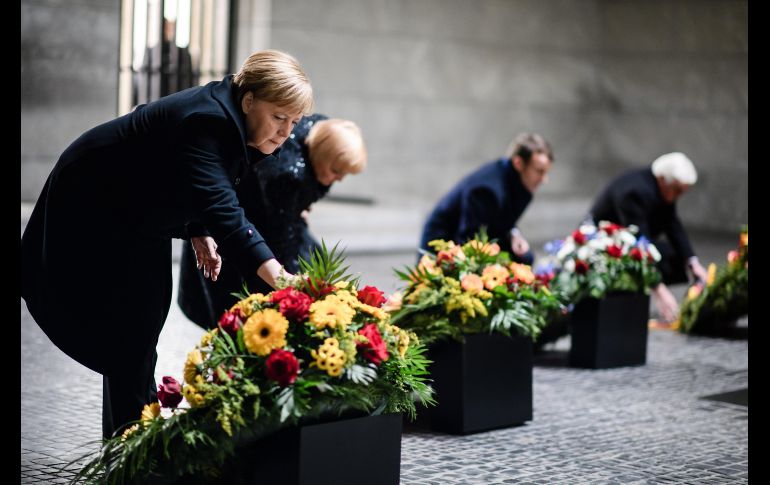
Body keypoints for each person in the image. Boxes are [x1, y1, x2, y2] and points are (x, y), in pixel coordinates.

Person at [20, 49, 313, 439]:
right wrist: (275, 273)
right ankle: (131, 448)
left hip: (136, 211)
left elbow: (180, 171)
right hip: (92, 205)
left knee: (143, 323)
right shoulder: (209, 120)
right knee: (131, 332)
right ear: (249, 101)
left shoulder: (226, 114)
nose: (285, 132)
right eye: (279, 117)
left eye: (293, 122)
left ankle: (130, 443)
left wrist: (196, 229)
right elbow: (222, 204)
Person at [177, 115, 368, 329]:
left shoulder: (318, 130)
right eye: (336, 171)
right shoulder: (288, 176)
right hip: (237, 232)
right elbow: (281, 245)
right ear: (321, 156)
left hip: (266, 217)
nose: (339, 179)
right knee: (234, 317)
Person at [587, 152, 708, 323]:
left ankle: (638, 287)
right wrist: (659, 290)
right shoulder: (634, 193)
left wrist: (692, 262)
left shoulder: (663, 187)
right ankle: (628, 291)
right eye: (677, 190)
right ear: (661, 179)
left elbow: (673, 225)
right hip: (605, 247)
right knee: (654, 258)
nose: (678, 196)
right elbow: (638, 244)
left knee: (674, 258)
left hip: (631, 242)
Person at [419, 132, 554, 263]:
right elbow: (468, 242)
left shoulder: (517, 181)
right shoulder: (487, 191)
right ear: (518, 163)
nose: (544, 179)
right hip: (443, 242)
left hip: (480, 238)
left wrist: (514, 233)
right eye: (539, 171)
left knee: (525, 258)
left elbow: (502, 221)